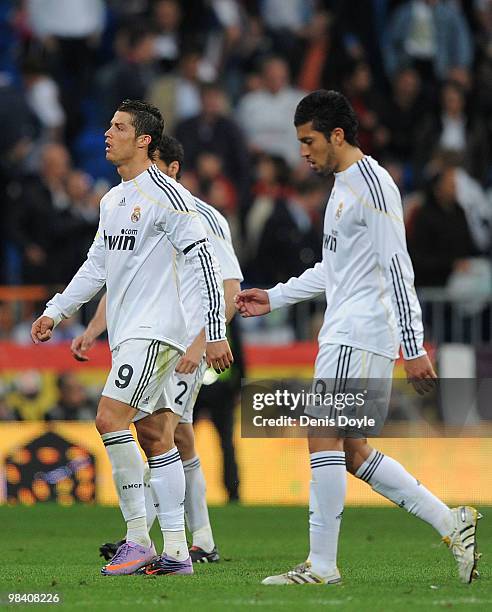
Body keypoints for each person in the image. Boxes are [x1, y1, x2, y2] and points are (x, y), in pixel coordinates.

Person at [235, 90, 481, 585]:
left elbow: (397, 266)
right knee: (352, 450)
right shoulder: (344, 186)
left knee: (321, 433)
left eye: (309, 141)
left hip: (359, 331)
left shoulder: (372, 184)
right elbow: (334, 268)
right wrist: (276, 297)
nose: (302, 152)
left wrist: (413, 347)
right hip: (348, 329)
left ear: (337, 135)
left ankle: (322, 566)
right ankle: (451, 522)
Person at [31, 99, 233, 577]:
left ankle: (138, 538)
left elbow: (207, 267)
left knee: (108, 418)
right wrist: (57, 311)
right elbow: (97, 266)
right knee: (155, 436)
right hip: (129, 336)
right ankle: (180, 553)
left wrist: (214, 335)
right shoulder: (112, 200)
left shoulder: (172, 200)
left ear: (144, 140)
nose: (107, 133)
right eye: (108, 125)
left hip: (156, 333)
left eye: (119, 127)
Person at [71, 135, 243, 566]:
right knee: (163, 434)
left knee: (171, 432)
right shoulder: (131, 204)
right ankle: (178, 543)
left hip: (182, 342)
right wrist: (93, 329)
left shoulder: (200, 214)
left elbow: (227, 286)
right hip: (151, 337)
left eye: (159, 166)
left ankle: (186, 536)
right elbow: (121, 274)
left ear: (171, 167)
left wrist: (204, 341)